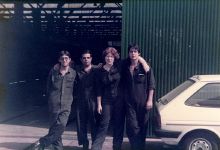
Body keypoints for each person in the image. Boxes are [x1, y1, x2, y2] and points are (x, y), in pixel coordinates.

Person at [35, 50, 76, 150]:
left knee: (61, 125)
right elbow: (48, 86)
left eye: (66, 58)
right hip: (54, 103)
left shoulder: (73, 73)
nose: (64, 60)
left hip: (66, 104)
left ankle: (44, 142)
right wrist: (50, 98)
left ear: (70, 60)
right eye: (62, 58)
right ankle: (58, 148)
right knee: (54, 127)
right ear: (59, 60)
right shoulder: (53, 71)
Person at [122, 43, 155, 150]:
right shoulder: (124, 66)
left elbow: (151, 85)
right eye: (131, 51)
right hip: (129, 102)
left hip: (143, 102)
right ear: (128, 53)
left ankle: (140, 147)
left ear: (139, 54)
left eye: (135, 51)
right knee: (133, 126)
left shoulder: (145, 68)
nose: (133, 54)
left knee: (143, 127)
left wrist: (150, 100)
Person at [91, 47, 121, 150]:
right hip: (106, 101)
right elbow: (98, 89)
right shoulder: (99, 71)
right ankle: (96, 147)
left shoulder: (119, 68)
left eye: (111, 56)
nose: (109, 58)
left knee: (118, 125)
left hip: (118, 101)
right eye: (107, 56)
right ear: (104, 58)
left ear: (114, 58)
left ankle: (117, 147)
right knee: (104, 124)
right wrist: (99, 104)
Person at [75, 50, 99, 150]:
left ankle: (95, 145)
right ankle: (85, 145)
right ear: (81, 59)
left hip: (93, 101)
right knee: (81, 124)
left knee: (94, 123)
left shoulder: (97, 70)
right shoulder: (77, 70)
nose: (86, 60)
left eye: (88, 58)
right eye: (84, 58)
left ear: (91, 59)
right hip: (81, 101)